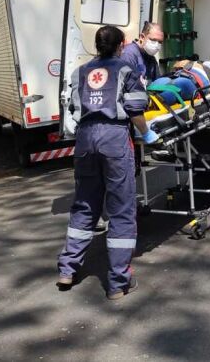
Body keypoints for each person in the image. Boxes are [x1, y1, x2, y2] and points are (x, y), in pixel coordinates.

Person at [57, 25, 159, 300]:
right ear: (121, 45)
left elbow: (73, 109)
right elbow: (136, 109)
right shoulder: (125, 70)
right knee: (121, 210)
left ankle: (67, 270)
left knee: (85, 204)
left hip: (85, 139)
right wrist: (146, 133)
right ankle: (117, 282)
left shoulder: (79, 72)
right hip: (114, 138)